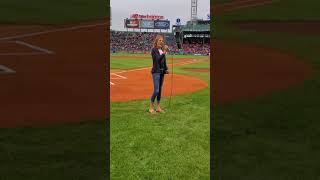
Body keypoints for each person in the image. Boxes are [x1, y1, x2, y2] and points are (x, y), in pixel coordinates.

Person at [149, 35, 169, 114]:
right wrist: (164, 52)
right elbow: (157, 60)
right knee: (156, 90)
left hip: (161, 72)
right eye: (160, 40)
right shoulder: (154, 50)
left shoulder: (161, 50)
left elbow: (163, 61)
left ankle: (158, 107)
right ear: (156, 41)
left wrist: (166, 69)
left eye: (162, 40)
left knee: (160, 90)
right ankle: (151, 107)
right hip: (156, 72)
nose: (161, 42)